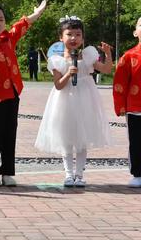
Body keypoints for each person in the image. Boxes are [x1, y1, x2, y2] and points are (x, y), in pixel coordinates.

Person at [0, 0, 47, 187]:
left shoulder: (8, 39)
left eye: (1, 19)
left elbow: (21, 26)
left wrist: (36, 13)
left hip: (12, 95)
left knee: (9, 134)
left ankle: (7, 172)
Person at [35, 16, 113, 187]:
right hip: (64, 101)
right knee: (66, 137)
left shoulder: (89, 55)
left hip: (86, 99)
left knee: (82, 138)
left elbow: (107, 69)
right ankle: (68, 174)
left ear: (83, 38)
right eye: (69, 34)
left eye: (78, 35)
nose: (73, 38)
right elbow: (58, 85)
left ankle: (79, 175)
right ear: (60, 37)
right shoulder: (57, 61)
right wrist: (68, 74)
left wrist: (107, 54)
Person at [113, 16, 141, 188]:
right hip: (136, 108)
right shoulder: (129, 56)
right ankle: (138, 173)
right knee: (137, 141)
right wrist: (121, 106)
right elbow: (119, 83)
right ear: (135, 32)